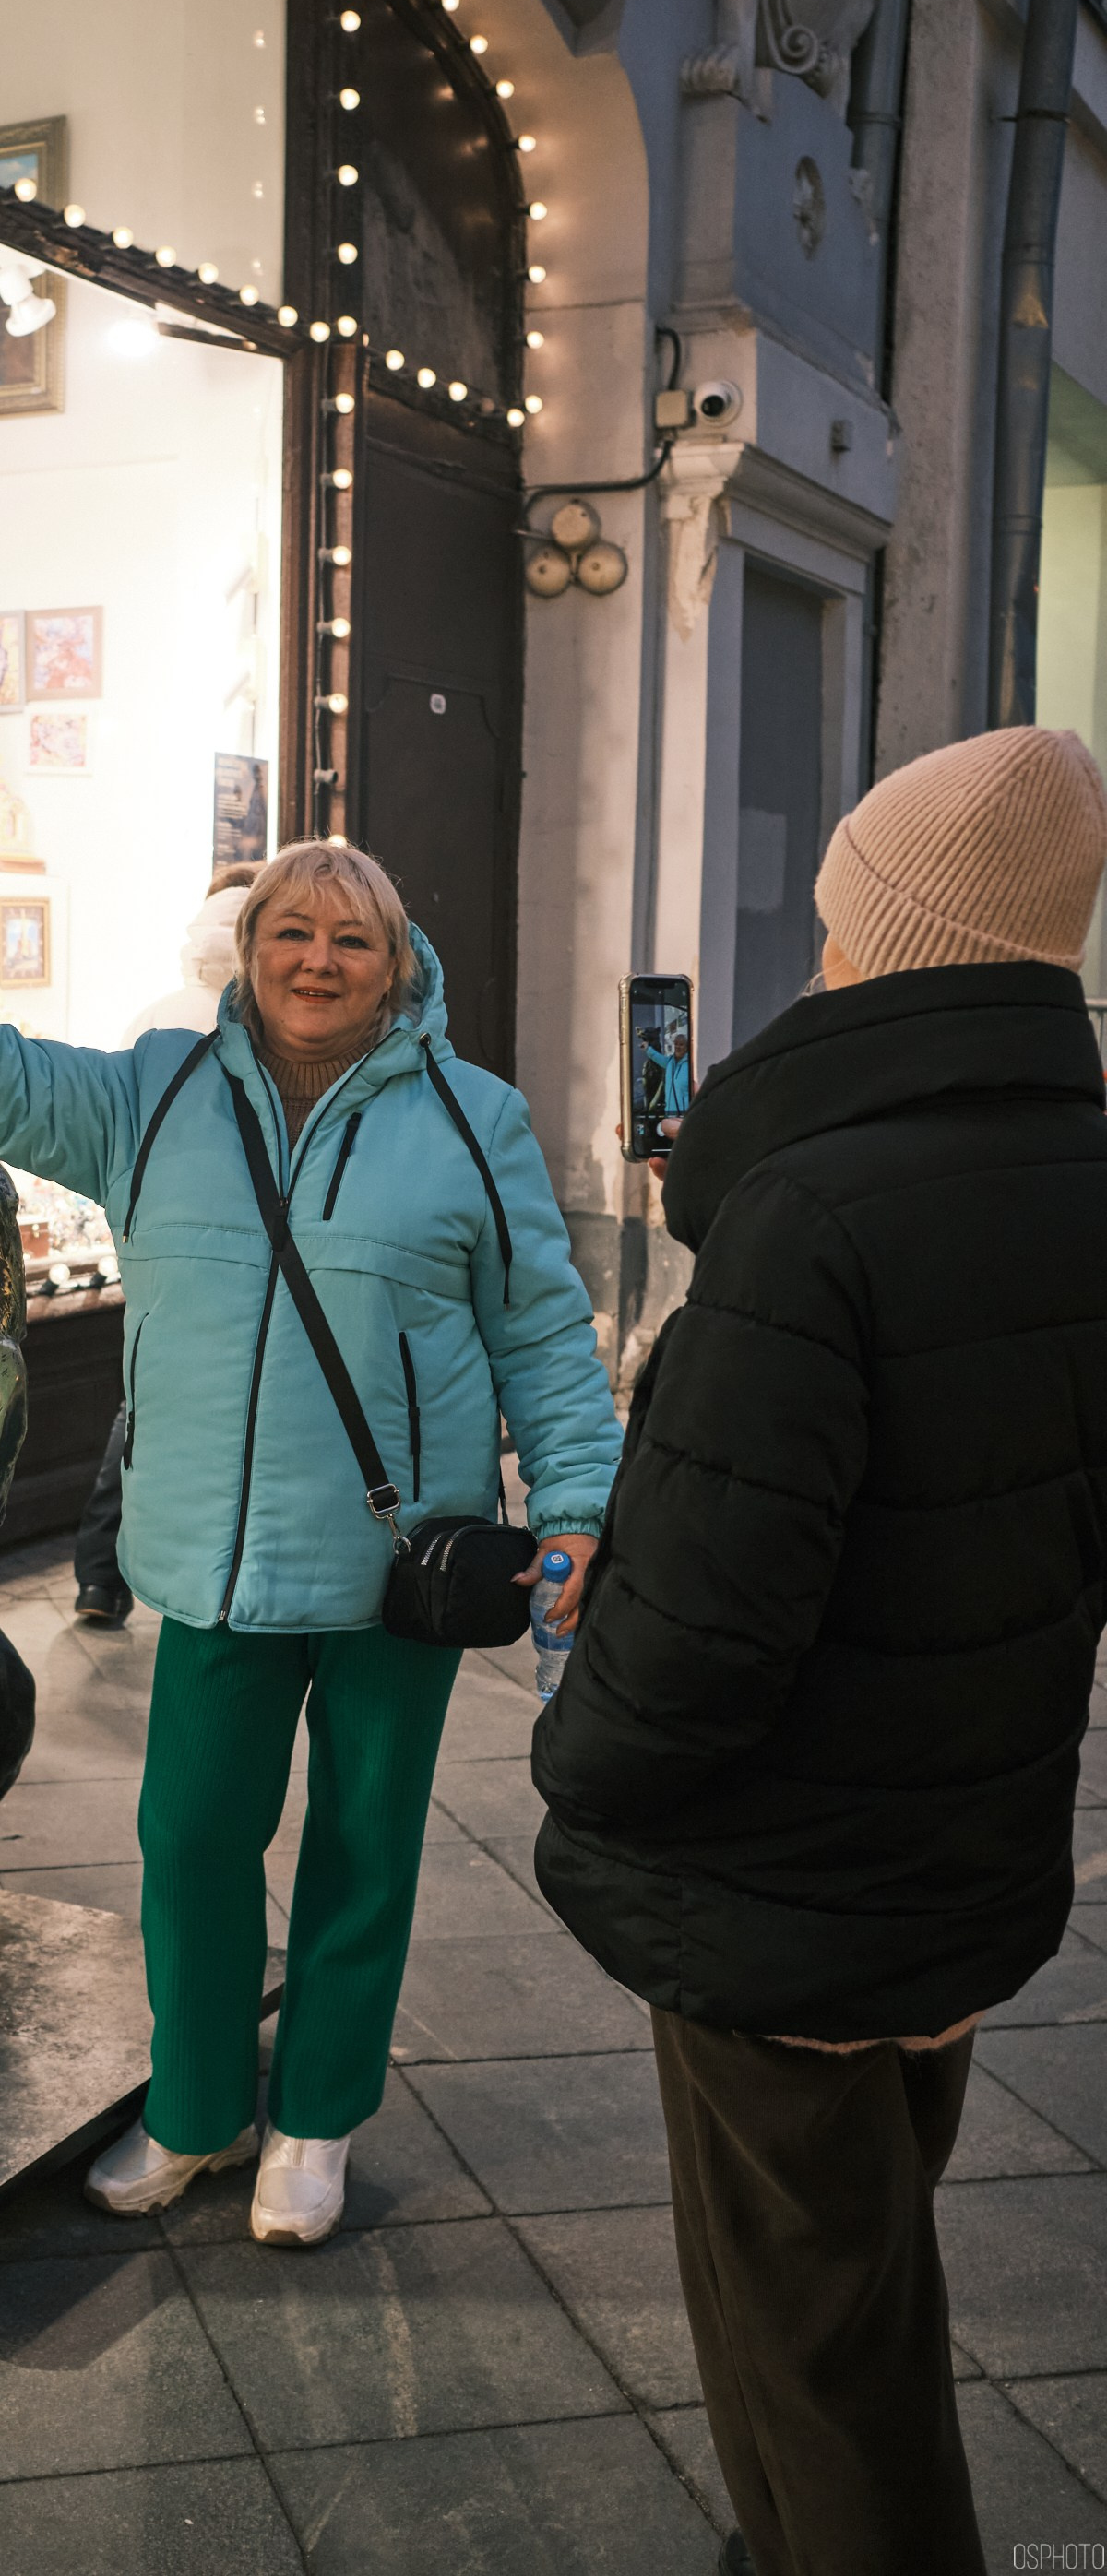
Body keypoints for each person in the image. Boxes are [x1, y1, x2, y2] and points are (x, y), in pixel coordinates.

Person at [0, 838, 621, 2245]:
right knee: (188, 1841)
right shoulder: (156, 1092)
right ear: (248, 952)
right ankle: (193, 2110)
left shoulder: (471, 1118)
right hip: (217, 1559)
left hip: (400, 1568)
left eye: (350, 941)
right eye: (291, 932)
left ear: (397, 964)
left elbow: (540, 1330)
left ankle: (314, 2127)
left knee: (365, 1851)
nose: (317, 961)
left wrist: (576, 1505)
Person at [533, 725, 1107, 2576]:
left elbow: (695, 1638)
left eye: (842, 905)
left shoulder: (811, 1214)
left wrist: (575, 1760)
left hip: (780, 1879)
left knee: (818, 2347)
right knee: (856, 2275)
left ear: (886, 931)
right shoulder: (1072, 1171)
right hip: (958, 1846)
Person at [74, 863, 259, 1624]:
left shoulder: (150, 1018)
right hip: (242, 1248)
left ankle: (99, 1576)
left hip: (158, 1242)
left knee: (143, 1406)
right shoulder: (262, 1026)